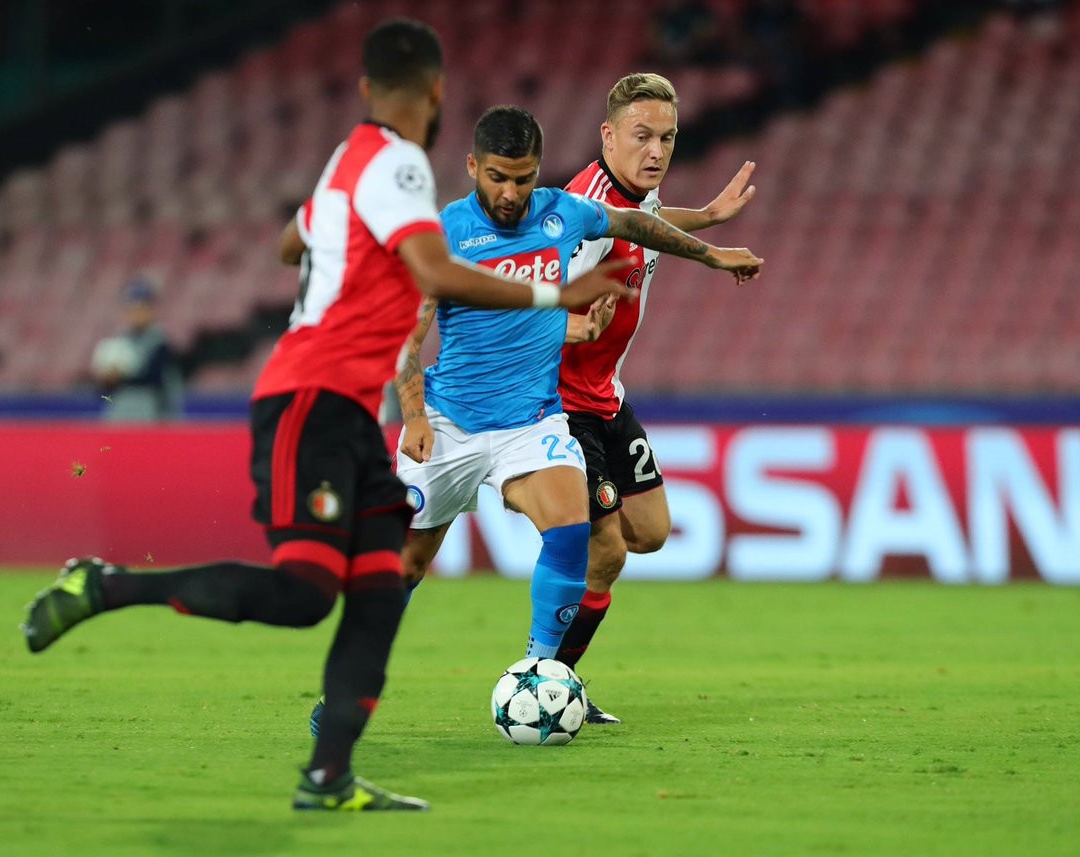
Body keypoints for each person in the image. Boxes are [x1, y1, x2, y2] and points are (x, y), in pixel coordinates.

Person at [20, 19, 630, 814]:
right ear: (437, 93)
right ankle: (105, 585)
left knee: (381, 584)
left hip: (344, 404)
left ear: (368, 88)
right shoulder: (397, 167)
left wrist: (346, 252)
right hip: (310, 395)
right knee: (305, 592)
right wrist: (555, 294)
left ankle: (328, 777)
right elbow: (435, 270)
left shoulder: (350, 163)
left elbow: (290, 243)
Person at [304, 105, 757, 736]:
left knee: (572, 531)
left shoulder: (560, 213)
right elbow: (407, 333)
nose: (511, 193)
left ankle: (540, 673)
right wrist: (413, 415)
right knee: (402, 566)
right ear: (473, 167)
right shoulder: (443, 235)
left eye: (523, 178)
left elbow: (634, 222)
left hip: (532, 422)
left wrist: (712, 253)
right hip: (451, 423)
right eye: (498, 177)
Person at [553, 72, 759, 723]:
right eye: (642, 136)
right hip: (558, 403)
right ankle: (547, 679)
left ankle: (560, 576)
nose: (657, 151)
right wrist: (569, 326)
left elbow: (646, 222)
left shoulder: (635, 194)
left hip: (606, 397)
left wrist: (708, 217)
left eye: (667, 138)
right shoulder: (579, 213)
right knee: (607, 552)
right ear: (607, 135)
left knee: (650, 531)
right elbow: (521, 297)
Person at [91, 278, 184, 421]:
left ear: (151, 310)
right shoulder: (118, 341)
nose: (137, 314)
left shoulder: (160, 340)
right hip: (120, 409)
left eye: (142, 308)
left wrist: (120, 377)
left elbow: (154, 379)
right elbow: (103, 393)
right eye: (133, 309)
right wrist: (106, 381)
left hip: (151, 411)